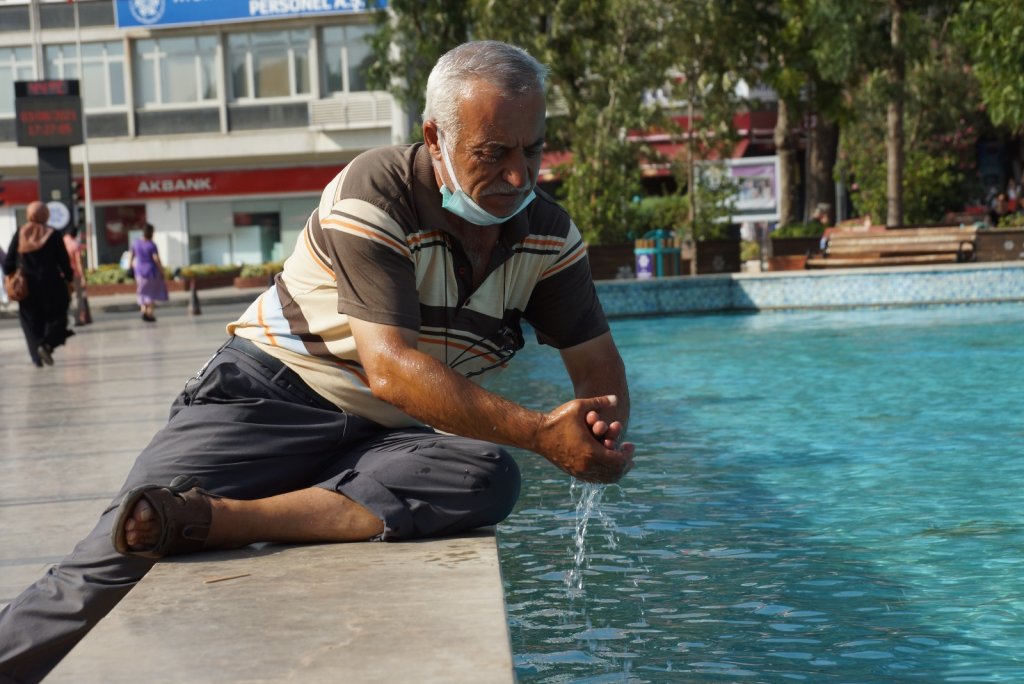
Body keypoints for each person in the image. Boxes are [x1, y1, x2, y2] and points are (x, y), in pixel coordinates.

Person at [0, 40, 634, 682]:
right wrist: (539, 433)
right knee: (108, 560)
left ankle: (221, 522)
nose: (520, 176)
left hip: (386, 436)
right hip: (264, 398)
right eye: (494, 153)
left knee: (488, 476)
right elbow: (390, 368)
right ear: (436, 137)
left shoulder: (547, 235)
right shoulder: (378, 189)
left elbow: (598, 368)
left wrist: (602, 431)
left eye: (533, 149)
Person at [2, 201, 75, 367]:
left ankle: (36, 356)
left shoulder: (20, 233)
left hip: (27, 288)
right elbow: (64, 262)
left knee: (30, 322)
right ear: (46, 214)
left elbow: (8, 264)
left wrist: (13, 275)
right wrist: (69, 279)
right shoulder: (54, 234)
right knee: (58, 317)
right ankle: (47, 344)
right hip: (53, 287)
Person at [128, 223, 168, 322]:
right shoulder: (151, 244)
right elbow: (156, 259)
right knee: (151, 293)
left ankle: (143, 310)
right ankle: (150, 313)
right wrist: (162, 271)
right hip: (151, 271)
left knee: (142, 291)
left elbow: (131, 255)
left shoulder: (136, 243)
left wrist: (130, 267)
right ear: (151, 233)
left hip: (139, 271)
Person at [61, 225, 88, 326]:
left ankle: (66, 318)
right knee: (78, 296)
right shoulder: (75, 245)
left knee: (65, 297)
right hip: (75, 274)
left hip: (62, 274)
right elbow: (79, 262)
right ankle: (77, 318)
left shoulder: (61, 242)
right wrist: (83, 277)